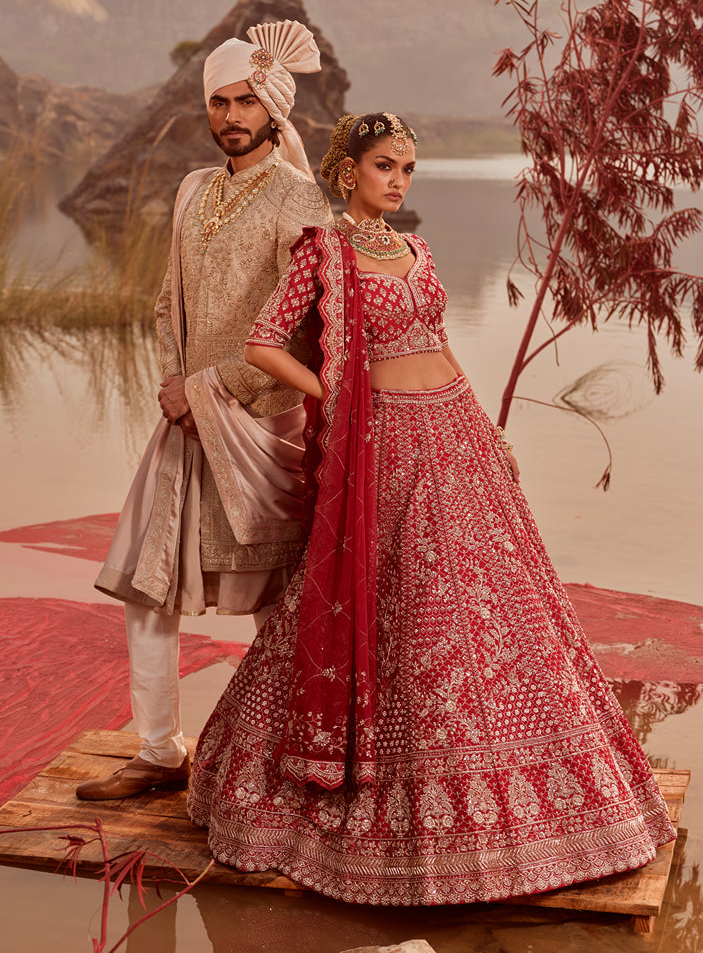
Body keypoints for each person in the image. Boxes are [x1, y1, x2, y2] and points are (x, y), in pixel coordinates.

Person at [186, 112, 676, 904]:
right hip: (379, 446)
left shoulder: (416, 248)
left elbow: (439, 340)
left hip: (452, 434)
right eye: (385, 166)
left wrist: (486, 425)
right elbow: (263, 345)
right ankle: (372, 806)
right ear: (348, 172)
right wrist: (338, 397)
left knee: (494, 611)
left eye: (408, 168)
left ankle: (533, 799)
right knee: (398, 606)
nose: (398, 181)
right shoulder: (324, 251)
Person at [75, 20, 332, 801]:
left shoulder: (300, 198)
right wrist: (173, 387)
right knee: (145, 589)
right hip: (184, 422)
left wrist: (216, 387)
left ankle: (281, 759)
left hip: (263, 428)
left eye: (245, 100)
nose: (229, 115)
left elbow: (307, 324)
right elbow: (165, 304)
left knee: (273, 605)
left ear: (274, 108)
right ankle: (158, 752)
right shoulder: (194, 188)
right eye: (218, 101)